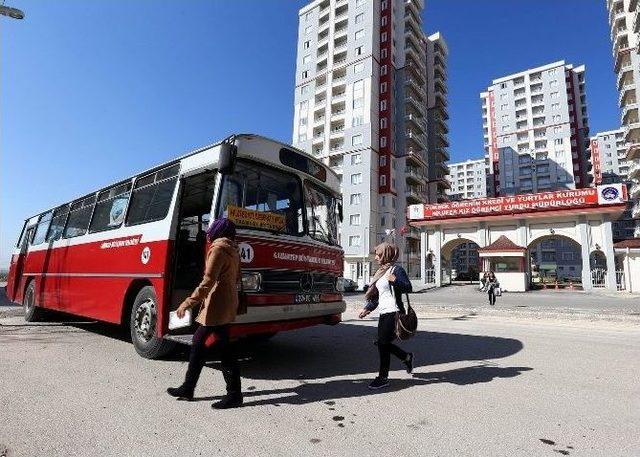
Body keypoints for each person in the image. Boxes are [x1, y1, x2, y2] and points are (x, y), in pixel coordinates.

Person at [167, 218, 243, 409]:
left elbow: (207, 282)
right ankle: (189, 387)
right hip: (227, 303)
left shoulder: (218, 249)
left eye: (212, 230)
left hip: (217, 305)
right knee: (201, 343)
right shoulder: (233, 249)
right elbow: (236, 278)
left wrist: (186, 303)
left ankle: (233, 395)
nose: (209, 233)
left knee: (220, 349)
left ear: (217, 231)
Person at [358, 242, 414, 390]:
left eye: (378, 254)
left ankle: (383, 377)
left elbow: (408, 287)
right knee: (383, 343)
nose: (376, 257)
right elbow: (378, 296)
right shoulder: (381, 272)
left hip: (394, 311)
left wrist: (395, 280)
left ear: (386, 254)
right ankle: (406, 357)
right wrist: (368, 308)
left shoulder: (396, 269)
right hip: (384, 312)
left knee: (382, 344)